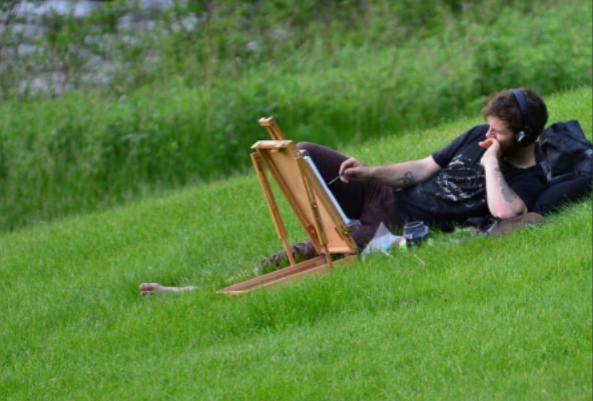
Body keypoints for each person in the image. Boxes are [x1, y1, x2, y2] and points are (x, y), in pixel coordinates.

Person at [140, 87, 548, 296]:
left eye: (498, 132)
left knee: (314, 255)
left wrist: (490, 163)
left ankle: (200, 292)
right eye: (488, 128)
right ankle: (326, 225)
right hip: (380, 198)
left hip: (397, 227)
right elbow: (423, 168)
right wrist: (369, 173)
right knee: (301, 153)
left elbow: (506, 214)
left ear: (522, 136)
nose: (487, 136)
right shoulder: (476, 134)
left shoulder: (527, 178)